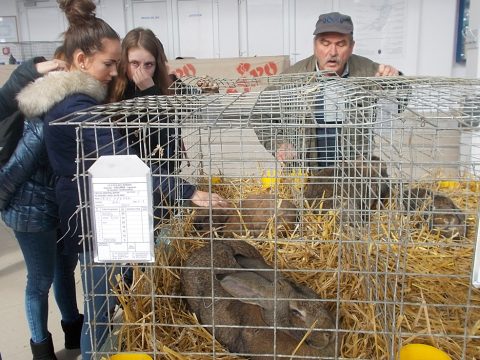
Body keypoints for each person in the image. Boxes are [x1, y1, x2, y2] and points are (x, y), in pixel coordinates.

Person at [16, 1, 224, 358]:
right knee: (99, 310)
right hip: (97, 217)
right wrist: (188, 191)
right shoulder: (79, 109)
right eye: (111, 64)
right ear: (82, 61)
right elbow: (124, 160)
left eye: (119, 64)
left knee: (111, 299)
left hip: (106, 209)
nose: (116, 72)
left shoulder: (75, 100)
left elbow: (162, 141)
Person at [0, 56, 83, 360]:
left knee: (64, 271)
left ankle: (73, 329)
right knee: (40, 280)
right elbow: (13, 174)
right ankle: (41, 347)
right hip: (30, 214)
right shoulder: (40, 125)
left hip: (58, 208)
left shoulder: (65, 117)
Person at [257, 12, 402, 167]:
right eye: (325, 44)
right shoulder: (293, 76)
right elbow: (260, 114)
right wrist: (279, 144)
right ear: (315, 45)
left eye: (340, 44)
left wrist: (396, 79)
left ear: (352, 46)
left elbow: (401, 102)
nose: (332, 52)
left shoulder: (369, 71)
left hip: (354, 174)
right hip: (306, 173)